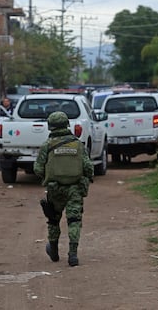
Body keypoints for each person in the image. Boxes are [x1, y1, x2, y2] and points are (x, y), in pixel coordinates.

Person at [34, 111, 94, 266]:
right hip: (75, 189)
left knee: (53, 220)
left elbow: (38, 168)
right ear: (67, 124)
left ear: (50, 126)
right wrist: (87, 178)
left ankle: (53, 250)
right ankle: (73, 255)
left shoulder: (47, 145)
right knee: (74, 220)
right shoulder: (77, 144)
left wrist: (47, 177)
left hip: (55, 189)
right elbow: (88, 167)